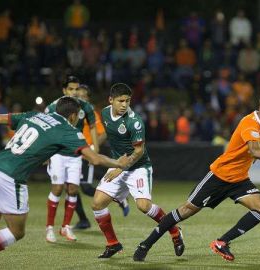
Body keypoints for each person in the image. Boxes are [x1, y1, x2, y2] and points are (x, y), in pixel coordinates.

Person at [0, 97, 128, 269]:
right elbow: (94, 158)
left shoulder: (36, 115)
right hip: (12, 175)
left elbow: (1, 118)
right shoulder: (68, 130)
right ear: (73, 116)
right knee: (17, 232)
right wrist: (117, 163)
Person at [133, 90, 260, 262]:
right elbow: (254, 150)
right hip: (219, 176)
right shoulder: (250, 123)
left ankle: (221, 243)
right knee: (185, 211)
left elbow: (250, 152)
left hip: (239, 179)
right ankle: (145, 244)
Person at [92, 83, 184, 258]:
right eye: (120, 101)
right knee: (97, 204)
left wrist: (120, 168)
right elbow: (106, 131)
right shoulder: (104, 113)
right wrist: (93, 147)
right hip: (119, 164)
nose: (124, 105)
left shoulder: (134, 121)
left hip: (138, 167)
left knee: (143, 206)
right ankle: (113, 244)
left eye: (127, 101)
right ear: (110, 100)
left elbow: (139, 151)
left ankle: (174, 231)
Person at [43, 76, 99, 242]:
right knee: (58, 188)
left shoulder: (85, 106)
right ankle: (49, 228)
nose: (74, 92)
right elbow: (45, 130)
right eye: (71, 89)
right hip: (58, 153)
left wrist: (95, 150)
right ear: (64, 91)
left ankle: (65, 227)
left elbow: (93, 127)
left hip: (76, 153)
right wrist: (45, 152)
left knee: (73, 189)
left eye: (76, 89)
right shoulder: (53, 107)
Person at [71, 84, 130, 230]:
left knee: (84, 187)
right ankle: (83, 220)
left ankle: (118, 198)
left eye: (84, 96)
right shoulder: (73, 110)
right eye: (79, 96)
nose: (81, 98)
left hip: (86, 152)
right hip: (74, 152)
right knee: (71, 187)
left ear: (88, 98)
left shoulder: (90, 111)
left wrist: (93, 148)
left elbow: (103, 132)